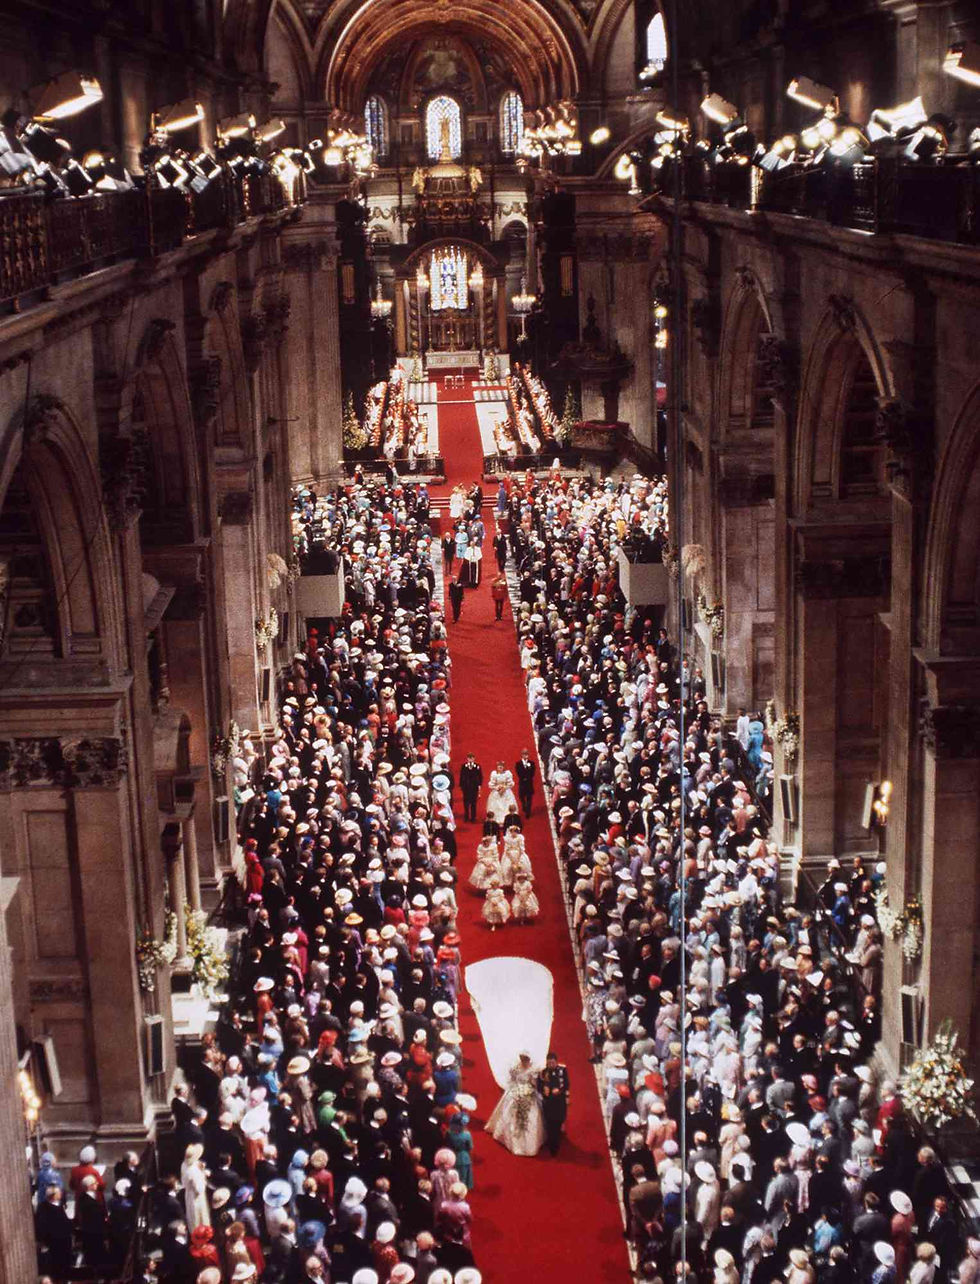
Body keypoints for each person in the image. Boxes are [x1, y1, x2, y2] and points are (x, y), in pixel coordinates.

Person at [486, 1051, 546, 1156]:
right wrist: (515, 1089)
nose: (524, 1061)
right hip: (515, 1091)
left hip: (528, 1092)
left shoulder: (532, 1070)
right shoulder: (515, 1068)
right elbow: (512, 1080)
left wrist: (531, 1090)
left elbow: (534, 1083)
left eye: (525, 1059)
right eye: (522, 1058)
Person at [537, 1051, 570, 1156]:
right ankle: (551, 1141)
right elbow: (539, 1086)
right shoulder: (543, 1073)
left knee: (557, 1123)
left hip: (559, 1103)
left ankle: (555, 1146)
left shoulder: (562, 1070)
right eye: (549, 1063)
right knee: (549, 1123)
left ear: (556, 1062)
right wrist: (543, 1090)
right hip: (548, 1103)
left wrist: (559, 1090)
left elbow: (567, 1084)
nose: (551, 1065)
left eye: (553, 1063)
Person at [486, 761, 518, 829]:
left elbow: (510, 783)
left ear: (503, 767)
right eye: (499, 767)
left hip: (506, 792)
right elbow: (491, 784)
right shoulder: (494, 774)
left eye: (501, 767)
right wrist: (497, 788)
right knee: (496, 806)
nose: (500, 768)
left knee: (506, 805)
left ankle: (507, 820)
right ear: (497, 767)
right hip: (497, 792)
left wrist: (504, 788)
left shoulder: (507, 774)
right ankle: (497, 821)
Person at [459, 754, 483, 823]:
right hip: (466, 788)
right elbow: (461, 776)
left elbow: (480, 776)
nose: (470, 760)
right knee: (466, 803)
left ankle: (473, 817)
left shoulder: (477, 766)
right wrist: (461, 786)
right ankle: (466, 816)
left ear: (474, 759)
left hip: (474, 787)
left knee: (473, 803)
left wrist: (479, 785)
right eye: (469, 758)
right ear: (467, 759)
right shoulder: (464, 766)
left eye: (471, 758)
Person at [515, 749, 535, 816]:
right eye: (524, 754)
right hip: (522, 783)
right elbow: (518, 773)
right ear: (522, 755)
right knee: (521, 796)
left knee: (529, 797)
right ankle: (524, 805)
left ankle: (528, 811)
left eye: (527, 754)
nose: (526, 756)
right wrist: (523, 778)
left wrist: (528, 778)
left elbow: (533, 773)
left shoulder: (532, 763)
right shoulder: (518, 764)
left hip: (529, 783)